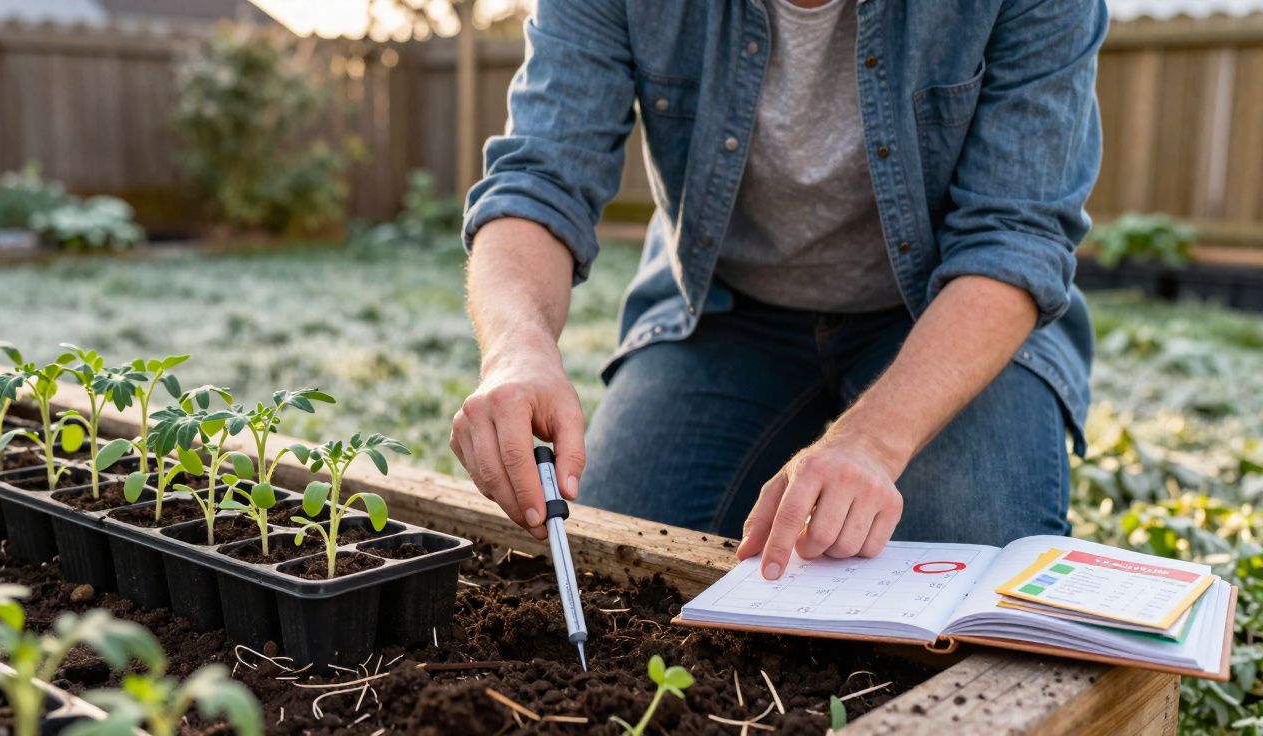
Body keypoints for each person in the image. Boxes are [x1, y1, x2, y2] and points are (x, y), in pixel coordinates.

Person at [450, 0, 1106, 581]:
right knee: (617, 559)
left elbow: (1015, 236)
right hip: (725, 308)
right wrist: (517, 349)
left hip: (945, 312)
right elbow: (539, 179)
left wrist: (872, 442)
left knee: (968, 568)